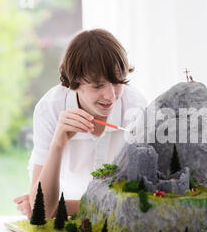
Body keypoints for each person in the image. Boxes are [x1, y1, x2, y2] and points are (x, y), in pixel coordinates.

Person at [14, 29, 148, 219]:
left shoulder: (134, 105)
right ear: (74, 82)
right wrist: (58, 142)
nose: (111, 95)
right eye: (97, 85)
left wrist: (67, 207)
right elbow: (41, 211)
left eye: (117, 82)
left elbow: (141, 201)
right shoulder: (50, 109)